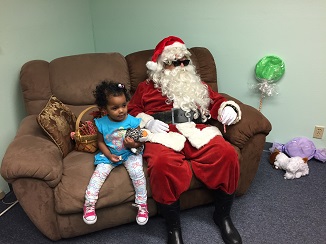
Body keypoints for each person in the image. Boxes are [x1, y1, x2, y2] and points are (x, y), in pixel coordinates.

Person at [128, 36, 242, 244]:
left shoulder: (196, 84)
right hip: (162, 135)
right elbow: (131, 110)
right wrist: (147, 121)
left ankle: (222, 216)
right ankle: (173, 228)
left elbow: (215, 101)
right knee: (162, 165)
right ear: (161, 65)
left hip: (194, 131)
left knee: (227, 154)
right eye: (174, 63)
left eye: (185, 62)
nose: (181, 67)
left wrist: (228, 109)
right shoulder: (145, 88)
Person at [83, 81, 148, 226]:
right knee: (98, 175)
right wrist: (108, 156)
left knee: (138, 173)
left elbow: (140, 142)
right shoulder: (101, 123)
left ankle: (142, 205)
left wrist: (134, 144)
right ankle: (89, 204)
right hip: (110, 154)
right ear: (104, 109)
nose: (121, 111)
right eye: (115, 108)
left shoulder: (133, 122)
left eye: (124, 105)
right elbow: (100, 142)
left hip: (130, 154)